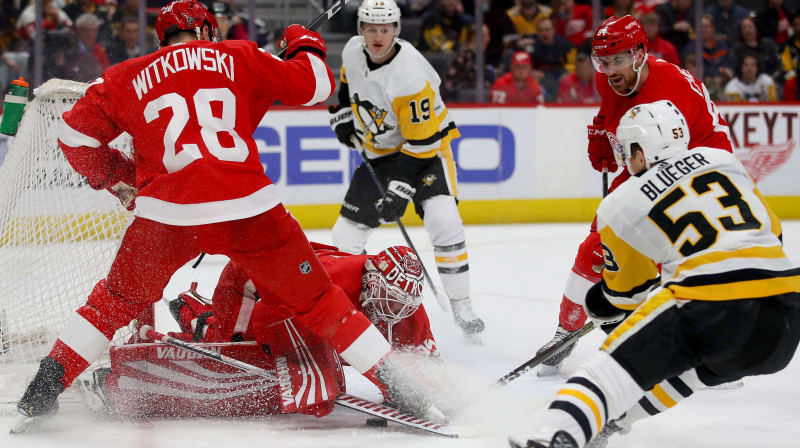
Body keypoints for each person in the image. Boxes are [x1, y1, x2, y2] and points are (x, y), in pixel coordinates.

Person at [12, 0, 433, 433]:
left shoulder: (128, 73)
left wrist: (122, 179)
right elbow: (317, 87)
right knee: (317, 300)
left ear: (163, 41)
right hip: (248, 210)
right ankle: (398, 384)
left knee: (114, 302)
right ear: (210, 33)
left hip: (167, 215)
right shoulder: (240, 55)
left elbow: (72, 135)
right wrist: (301, 42)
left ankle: (43, 389)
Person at [509, 100, 800, 448]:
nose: (625, 159)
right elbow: (774, 234)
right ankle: (611, 424)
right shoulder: (724, 160)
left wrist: (597, 302)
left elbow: (626, 295)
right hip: (785, 315)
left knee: (606, 373)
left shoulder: (621, 201)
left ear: (640, 151)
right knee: (689, 372)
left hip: (710, 302)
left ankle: (554, 437)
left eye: (627, 150)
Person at [534, 15, 732, 376]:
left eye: (618, 60)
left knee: (678, 258)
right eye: (602, 62)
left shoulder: (668, 90)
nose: (608, 70)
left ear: (640, 54)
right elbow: (611, 110)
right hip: (648, 154)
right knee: (595, 245)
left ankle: (711, 350)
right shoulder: (612, 77)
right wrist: (605, 135)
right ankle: (567, 331)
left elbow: (673, 160)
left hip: (699, 162)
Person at [101, 244, 437, 417]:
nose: (397, 311)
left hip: (287, 299)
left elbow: (427, 365)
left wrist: (425, 389)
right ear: (370, 282)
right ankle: (197, 316)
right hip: (249, 287)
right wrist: (313, 370)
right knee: (237, 354)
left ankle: (203, 316)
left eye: (404, 302)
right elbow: (268, 318)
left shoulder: (405, 307)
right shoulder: (331, 283)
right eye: (389, 299)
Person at [327, 0, 485, 340]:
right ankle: (352, 309)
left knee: (443, 218)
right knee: (345, 235)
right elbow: (345, 86)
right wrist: (342, 118)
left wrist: (399, 191)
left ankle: (462, 305)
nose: (378, 36)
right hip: (381, 153)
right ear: (361, 30)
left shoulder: (409, 75)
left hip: (425, 151)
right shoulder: (354, 52)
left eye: (385, 29)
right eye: (371, 28)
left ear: (397, 30)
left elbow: (423, 142)